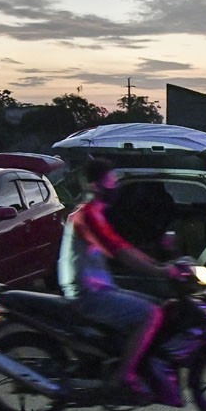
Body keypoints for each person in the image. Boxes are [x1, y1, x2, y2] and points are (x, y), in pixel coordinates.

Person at [58, 158, 180, 398]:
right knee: (151, 314)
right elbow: (120, 252)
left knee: (160, 305)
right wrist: (161, 271)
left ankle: (131, 363)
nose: (114, 186)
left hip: (100, 288)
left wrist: (159, 264)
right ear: (95, 185)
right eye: (110, 181)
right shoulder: (87, 216)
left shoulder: (94, 213)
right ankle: (123, 376)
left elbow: (122, 245)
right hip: (88, 293)